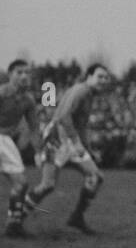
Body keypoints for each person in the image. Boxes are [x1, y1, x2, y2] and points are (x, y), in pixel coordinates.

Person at [27, 63, 113, 234]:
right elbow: (63, 116)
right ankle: (15, 220)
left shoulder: (89, 94)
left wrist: (87, 148)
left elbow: (80, 125)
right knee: (47, 185)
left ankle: (77, 217)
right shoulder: (81, 91)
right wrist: (77, 143)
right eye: (100, 76)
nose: (103, 80)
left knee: (95, 176)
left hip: (70, 141)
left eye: (106, 77)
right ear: (89, 76)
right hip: (57, 139)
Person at [0, 59, 41, 236]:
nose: (24, 76)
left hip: (4, 141)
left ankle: (13, 225)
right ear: (10, 75)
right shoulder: (2, 93)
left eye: (27, 72)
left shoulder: (28, 100)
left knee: (22, 183)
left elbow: (34, 128)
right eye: (19, 72)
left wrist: (39, 151)